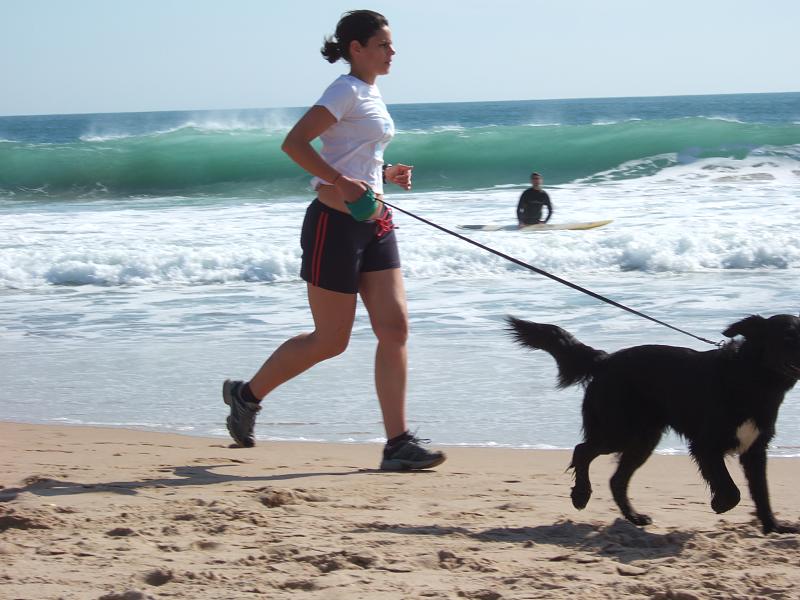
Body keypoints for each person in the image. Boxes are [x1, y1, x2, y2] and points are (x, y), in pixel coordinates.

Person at [222, 10, 446, 471]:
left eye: (391, 44)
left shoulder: (370, 93)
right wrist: (342, 182)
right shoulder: (343, 90)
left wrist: (383, 173)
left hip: (376, 223)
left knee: (395, 329)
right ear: (356, 49)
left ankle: (397, 443)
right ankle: (247, 396)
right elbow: (295, 144)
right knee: (331, 340)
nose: (392, 51)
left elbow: (352, 152)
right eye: (383, 44)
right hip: (334, 226)